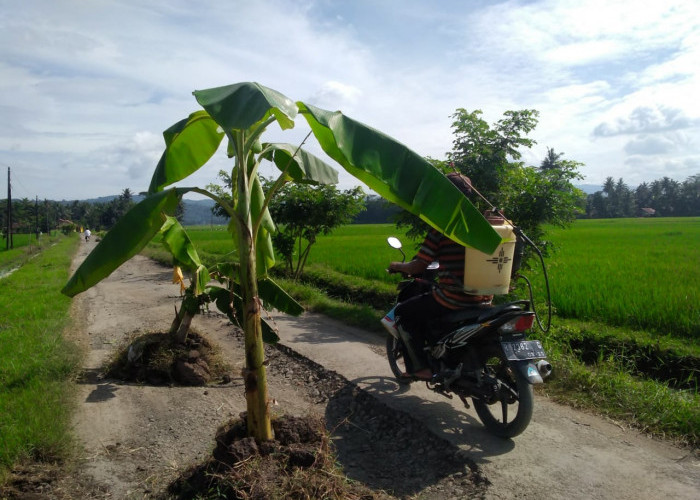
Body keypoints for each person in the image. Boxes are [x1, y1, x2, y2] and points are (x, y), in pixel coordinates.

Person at [388, 173, 495, 380]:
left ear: (443, 194)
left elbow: (419, 266)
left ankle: (419, 368)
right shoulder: (485, 222)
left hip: (454, 300)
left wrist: (398, 266)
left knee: (402, 313)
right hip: (485, 298)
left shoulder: (444, 225)